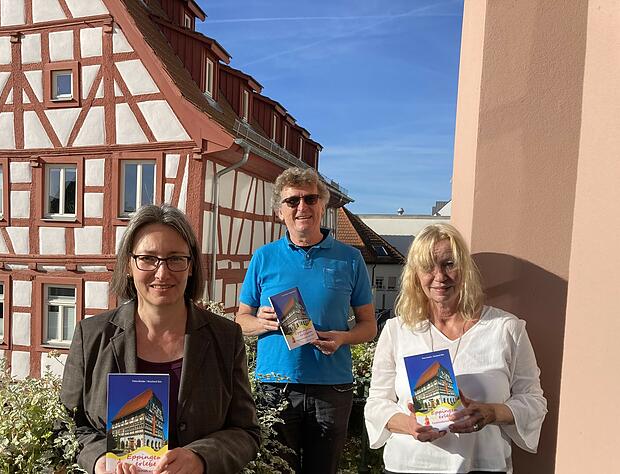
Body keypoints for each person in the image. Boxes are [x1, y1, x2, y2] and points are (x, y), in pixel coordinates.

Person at [61, 204, 260, 474]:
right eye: (148, 258)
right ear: (129, 265)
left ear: (191, 267)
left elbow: (246, 432)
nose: (162, 273)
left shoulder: (225, 337)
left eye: (176, 258)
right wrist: (99, 460)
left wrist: (200, 458)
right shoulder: (92, 336)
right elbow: (68, 426)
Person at [364, 223, 548, 474]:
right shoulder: (397, 330)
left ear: (465, 269)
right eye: (428, 267)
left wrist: (492, 413)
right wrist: (409, 425)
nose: (439, 276)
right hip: (409, 465)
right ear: (416, 274)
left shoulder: (506, 329)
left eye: (449, 264)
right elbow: (376, 403)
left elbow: (534, 402)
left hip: (482, 465)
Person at [236, 167, 376, 474]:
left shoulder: (349, 258)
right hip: (275, 383)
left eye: (310, 199)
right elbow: (240, 320)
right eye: (293, 201)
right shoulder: (263, 257)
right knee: (278, 471)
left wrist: (343, 337)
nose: (302, 207)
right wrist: (262, 322)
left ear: (323, 205)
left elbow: (369, 326)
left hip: (332, 386)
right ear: (279, 211)